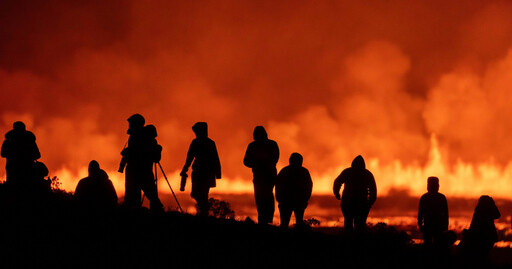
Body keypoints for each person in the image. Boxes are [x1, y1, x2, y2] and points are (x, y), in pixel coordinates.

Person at [118, 114, 163, 211]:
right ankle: (157, 212)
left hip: (134, 171)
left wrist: (122, 165)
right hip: (145, 170)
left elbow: (132, 152)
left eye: (130, 123)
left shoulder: (135, 136)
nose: (129, 125)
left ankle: (137, 214)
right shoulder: (146, 136)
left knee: (132, 195)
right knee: (151, 194)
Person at [180, 122, 221, 217]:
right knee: (199, 194)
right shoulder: (207, 143)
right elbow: (190, 157)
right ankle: (203, 210)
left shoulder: (200, 142)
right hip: (203, 172)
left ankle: (203, 212)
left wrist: (185, 169)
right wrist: (185, 168)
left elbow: (215, 158)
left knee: (200, 194)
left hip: (204, 173)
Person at [333, 155, 377, 237]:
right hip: (361, 204)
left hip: (348, 203)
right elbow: (373, 191)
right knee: (360, 226)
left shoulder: (347, 172)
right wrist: (369, 204)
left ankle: (349, 243)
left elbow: (337, 182)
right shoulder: (367, 174)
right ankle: (358, 244)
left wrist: (336, 193)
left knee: (348, 223)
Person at [243, 126, 279, 224]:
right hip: (263, 176)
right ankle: (265, 219)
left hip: (265, 176)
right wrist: (258, 162)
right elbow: (246, 161)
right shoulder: (272, 144)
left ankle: (265, 219)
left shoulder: (254, 146)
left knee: (263, 196)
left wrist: (258, 162)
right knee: (264, 196)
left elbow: (246, 162)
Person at [459, 195, 501, 266]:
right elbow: (497, 215)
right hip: (483, 237)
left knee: (482, 256)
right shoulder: (482, 211)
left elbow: (497, 215)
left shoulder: (479, 210)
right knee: (483, 256)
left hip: (483, 237)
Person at [275, 153, 312, 229]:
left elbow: (277, 186)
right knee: (296, 223)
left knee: (285, 224)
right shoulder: (304, 172)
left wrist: (279, 199)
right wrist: (305, 200)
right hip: (292, 202)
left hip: (291, 202)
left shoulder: (284, 171)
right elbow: (309, 187)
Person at [1, 121, 41, 187]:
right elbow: (37, 155)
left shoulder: (8, 141)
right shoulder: (29, 141)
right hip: (27, 170)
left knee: (13, 189)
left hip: (12, 170)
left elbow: (3, 154)